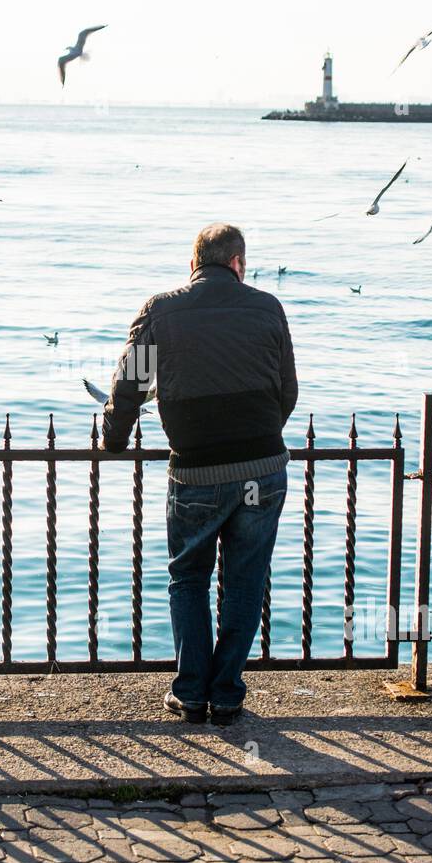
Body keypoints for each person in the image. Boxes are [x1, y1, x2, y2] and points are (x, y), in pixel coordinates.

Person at [102, 223, 298, 725]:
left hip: (197, 473)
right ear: (238, 263)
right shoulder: (267, 307)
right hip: (263, 470)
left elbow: (132, 385)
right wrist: (258, 433)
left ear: (194, 264)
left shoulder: (162, 310)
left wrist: (114, 440)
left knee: (188, 577)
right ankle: (227, 695)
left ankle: (191, 693)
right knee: (246, 580)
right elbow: (287, 389)